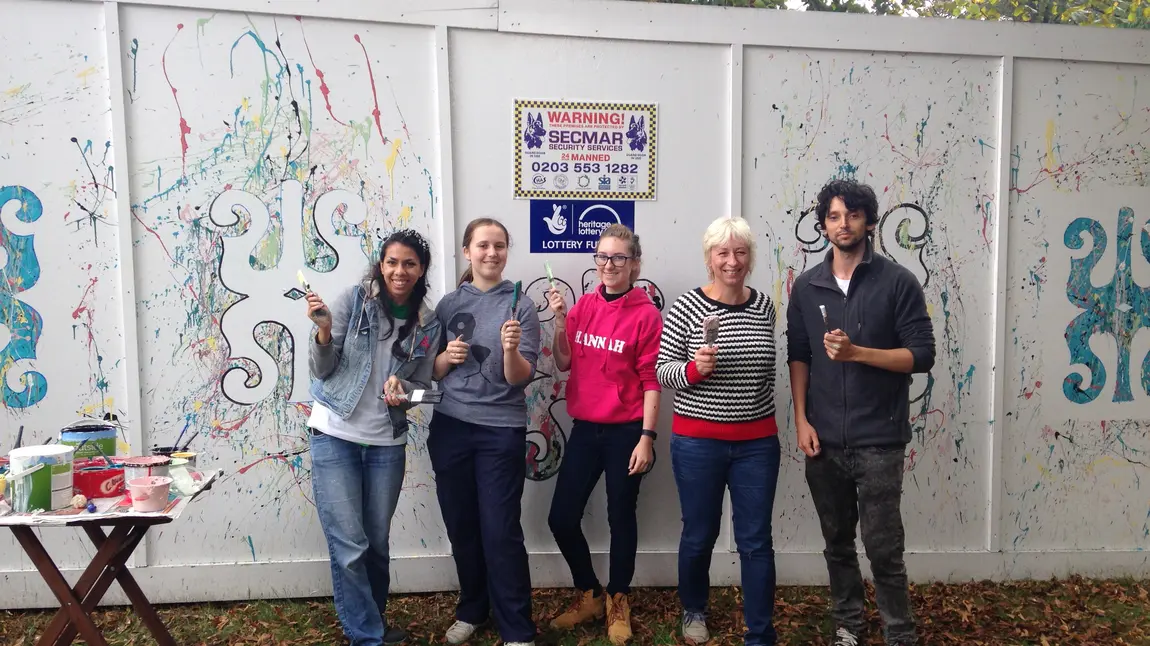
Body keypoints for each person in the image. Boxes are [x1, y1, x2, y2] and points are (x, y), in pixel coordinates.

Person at [786, 179, 936, 646]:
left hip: (880, 439)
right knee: (837, 544)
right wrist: (801, 419)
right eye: (833, 216)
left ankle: (899, 633)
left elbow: (922, 356)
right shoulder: (808, 286)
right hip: (823, 438)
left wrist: (859, 354)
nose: (843, 224)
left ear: (869, 222)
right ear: (823, 224)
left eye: (852, 215)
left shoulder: (898, 282)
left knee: (884, 548)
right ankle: (848, 626)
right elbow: (799, 354)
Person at [304, 229, 443, 646]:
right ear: (381, 265)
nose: (400, 271)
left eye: (410, 264)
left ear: (421, 271)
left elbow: (425, 387)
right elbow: (322, 371)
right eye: (392, 262)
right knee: (350, 544)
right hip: (336, 433)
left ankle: (371, 622)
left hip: (387, 441)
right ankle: (367, 637)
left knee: (376, 544)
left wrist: (404, 392)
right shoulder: (354, 301)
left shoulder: (427, 322)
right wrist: (324, 332)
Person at [656, 216, 781, 646]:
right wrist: (693, 369)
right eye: (723, 253)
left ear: (750, 258)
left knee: (755, 540)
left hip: (757, 444)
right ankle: (694, 611)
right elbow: (662, 371)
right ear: (709, 259)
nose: (732, 261)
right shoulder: (687, 307)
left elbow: (769, 373)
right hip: (698, 443)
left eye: (740, 252)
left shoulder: (764, 305)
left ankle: (760, 632)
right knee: (699, 533)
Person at [544, 224, 663, 645]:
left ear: (634, 263)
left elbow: (651, 379)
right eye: (602, 257)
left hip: (627, 431)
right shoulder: (582, 308)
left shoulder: (646, 314)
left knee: (620, 517)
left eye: (618, 258)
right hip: (585, 429)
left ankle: (618, 600)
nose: (608, 265)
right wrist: (561, 320)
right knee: (560, 517)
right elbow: (563, 361)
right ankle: (590, 593)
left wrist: (647, 436)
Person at [429, 217, 541, 646]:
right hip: (451, 427)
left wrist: (511, 350)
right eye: (483, 246)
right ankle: (473, 610)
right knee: (462, 525)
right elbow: (430, 371)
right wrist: (446, 359)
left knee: (500, 530)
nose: (491, 253)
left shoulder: (521, 304)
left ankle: (517, 629)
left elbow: (520, 379)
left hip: (501, 431)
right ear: (467, 251)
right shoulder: (448, 304)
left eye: (499, 246)